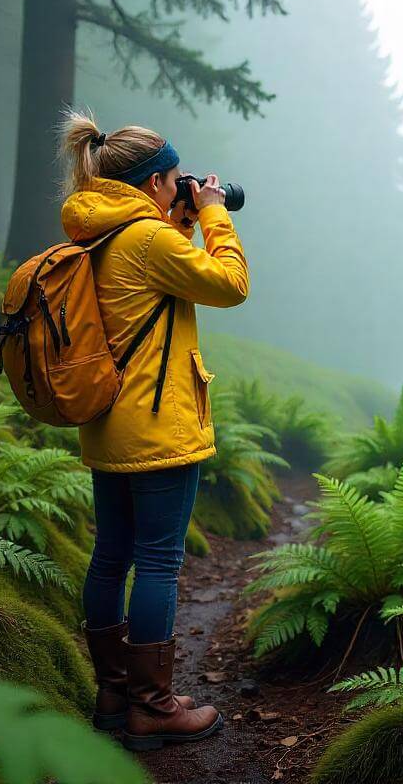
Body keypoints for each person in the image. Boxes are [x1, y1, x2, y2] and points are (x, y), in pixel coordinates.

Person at [58, 108, 248, 751]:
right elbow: (231, 284)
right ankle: (153, 706)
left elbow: (154, 274)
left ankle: (115, 695)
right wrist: (214, 215)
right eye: (175, 179)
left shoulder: (99, 231)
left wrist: (180, 220)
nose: (182, 186)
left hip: (107, 426)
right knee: (160, 563)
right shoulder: (148, 241)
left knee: (111, 556)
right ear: (154, 183)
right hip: (158, 429)